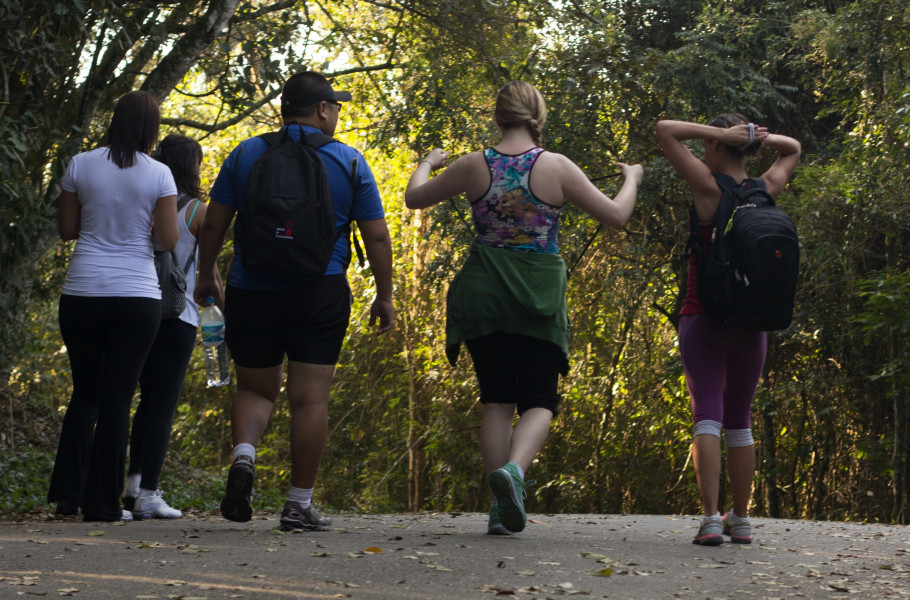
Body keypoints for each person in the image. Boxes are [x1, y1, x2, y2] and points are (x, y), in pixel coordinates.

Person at [405, 80, 643, 535]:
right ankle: (514, 472)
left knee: (496, 399)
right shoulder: (556, 166)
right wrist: (631, 177)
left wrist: (428, 163)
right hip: (537, 296)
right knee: (539, 398)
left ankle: (499, 509)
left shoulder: (473, 165)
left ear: (498, 115)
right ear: (538, 115)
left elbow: (414, 198)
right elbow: (617, 216)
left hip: (483, 294)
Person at [195, 71, 395, 531]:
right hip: (319, 292)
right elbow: (378, 236)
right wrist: (384, 296)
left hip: (251, 288)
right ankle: (298, 505)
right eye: (336, 106)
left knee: (254, 389)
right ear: (322, 109)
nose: (338, 114)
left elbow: (213, 225)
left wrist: (207, 276)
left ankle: (245, 457)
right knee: (309, 401)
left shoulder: (246, 153)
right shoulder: (348, 162)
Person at [655, 114, 801, 545]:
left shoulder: (707, 187)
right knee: (740, 421)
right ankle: (741, 517)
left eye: (712, 142)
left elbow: (665, 130)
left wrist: (719, 132)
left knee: (707, 417)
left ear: (720, 145)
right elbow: (792, 148)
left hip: (703, 318)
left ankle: (711, 519)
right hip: (752, 324)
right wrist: (757, 137)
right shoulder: (765, 189)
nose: (705, 149)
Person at [48, 91, 179, 522]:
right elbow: (166, 240)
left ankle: (68, 495)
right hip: (136, 294)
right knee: (119, 397)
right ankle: (102, 505)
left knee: (85, 393)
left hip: (83, 290)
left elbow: (67, 229)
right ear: (151, 128)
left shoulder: (80, 164)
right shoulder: (160, 174)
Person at [125, 134, 220, 520]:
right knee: (160, 406)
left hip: (137, 305)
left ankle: (131, 488)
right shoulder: (199, 211)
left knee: (134, 403)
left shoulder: (144, 201)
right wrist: (222, 320)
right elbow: (211, 272)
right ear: (191, 166)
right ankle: (149, 491)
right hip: (179, 316)